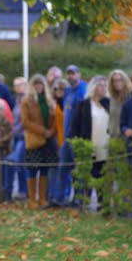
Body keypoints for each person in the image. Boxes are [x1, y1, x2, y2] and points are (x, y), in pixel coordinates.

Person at [71, 76, 110, 210]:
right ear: (93, 87)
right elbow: (74, 126)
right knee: (86, 176)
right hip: (88, 146)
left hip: (105, 147)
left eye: (105, 85)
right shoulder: (84, 105)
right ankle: (83, 202)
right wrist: (77, 145)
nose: (103, 88)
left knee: (102, 176)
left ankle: (102, 203)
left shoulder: (109, 104)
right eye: (100, 85)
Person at [52, 65, 88, 206]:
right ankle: (59, 198)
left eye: (73, 73)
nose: (70, 76)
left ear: (79, 74)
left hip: (78, 137)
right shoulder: (68, 92)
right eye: (68, 74)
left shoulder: (83, 90)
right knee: (63, 169)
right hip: (67, 138)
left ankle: (78, 199)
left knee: (77, 171)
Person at [21, 74, 58, 209]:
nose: (38, 86)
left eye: (41, 84)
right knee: (32, 169)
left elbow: (55, 119)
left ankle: (42, 198)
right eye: (36, 84)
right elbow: (25, 122)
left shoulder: (49, 100)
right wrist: (43, 131)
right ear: (32, 86)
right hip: (34, 140)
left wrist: (51, 131)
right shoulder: (26, 101)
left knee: (44, 169)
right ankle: (32, 199)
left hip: (48, 140)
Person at [3, 77, 29, 201]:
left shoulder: (28, 99)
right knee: (13, 162)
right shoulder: (17, 100)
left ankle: (23, 191)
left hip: (24, 137)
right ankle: (9, 191)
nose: (18, 87)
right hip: (16, 136)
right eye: (16, 85)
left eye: (20, 85)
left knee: (18, 162)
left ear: (26, 85)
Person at [107, 70, 132, 138]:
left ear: (125, 81)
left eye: (120, 80)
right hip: (113, 136)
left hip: (127, 137)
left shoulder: (131, 97)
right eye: (114, 81)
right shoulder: (112, 98)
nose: (117, 83)